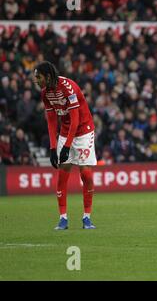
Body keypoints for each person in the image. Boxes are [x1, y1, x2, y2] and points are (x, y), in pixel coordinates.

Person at [35, 61, 97, 230]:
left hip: (84, 131)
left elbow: (76, 118)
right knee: (62, 174)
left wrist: (67, 146)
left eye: (38, 77)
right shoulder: (45, 93)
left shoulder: (68, 87)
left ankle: (87, 218)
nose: (36, 80)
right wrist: (53, 148)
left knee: (86, 175)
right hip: (65, 132)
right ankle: (63, 219)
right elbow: (51, 120)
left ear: (47, 76)